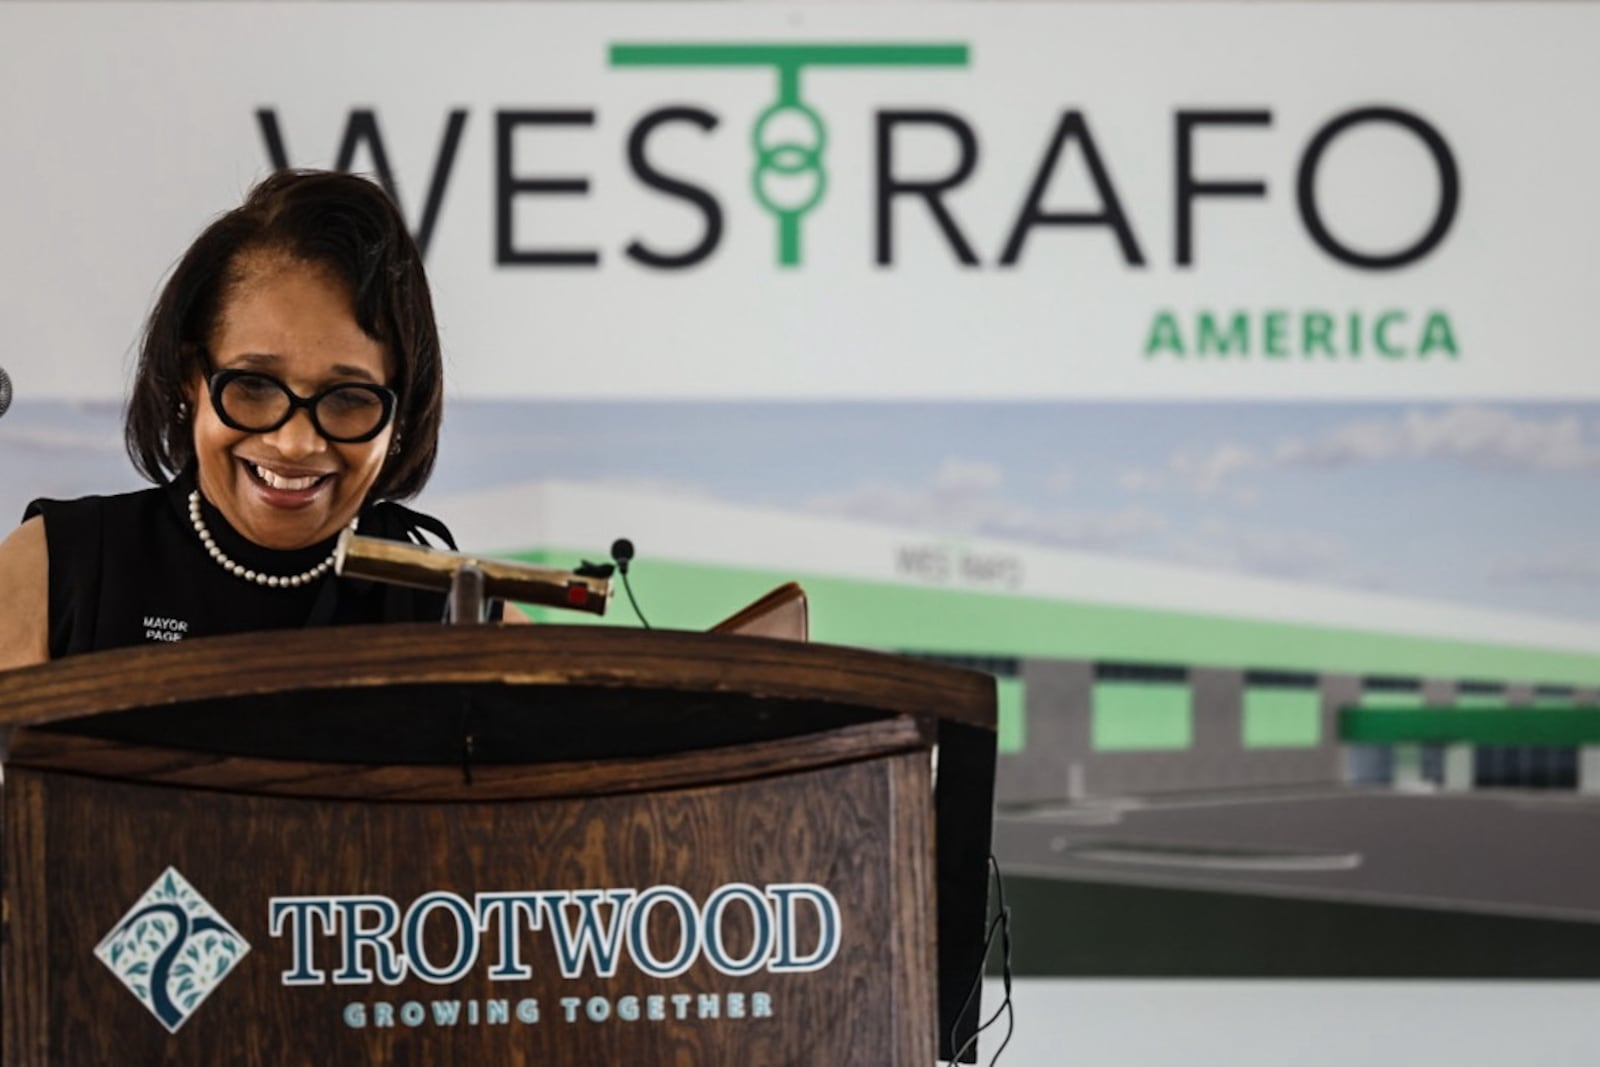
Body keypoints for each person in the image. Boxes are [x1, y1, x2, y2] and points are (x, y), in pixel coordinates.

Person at [0, 169, 486, 671]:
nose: (295, 442)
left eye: (348, 398)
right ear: (190, 377)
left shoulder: (467, 620)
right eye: (254, 386)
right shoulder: (48, 573)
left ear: (401, 410)